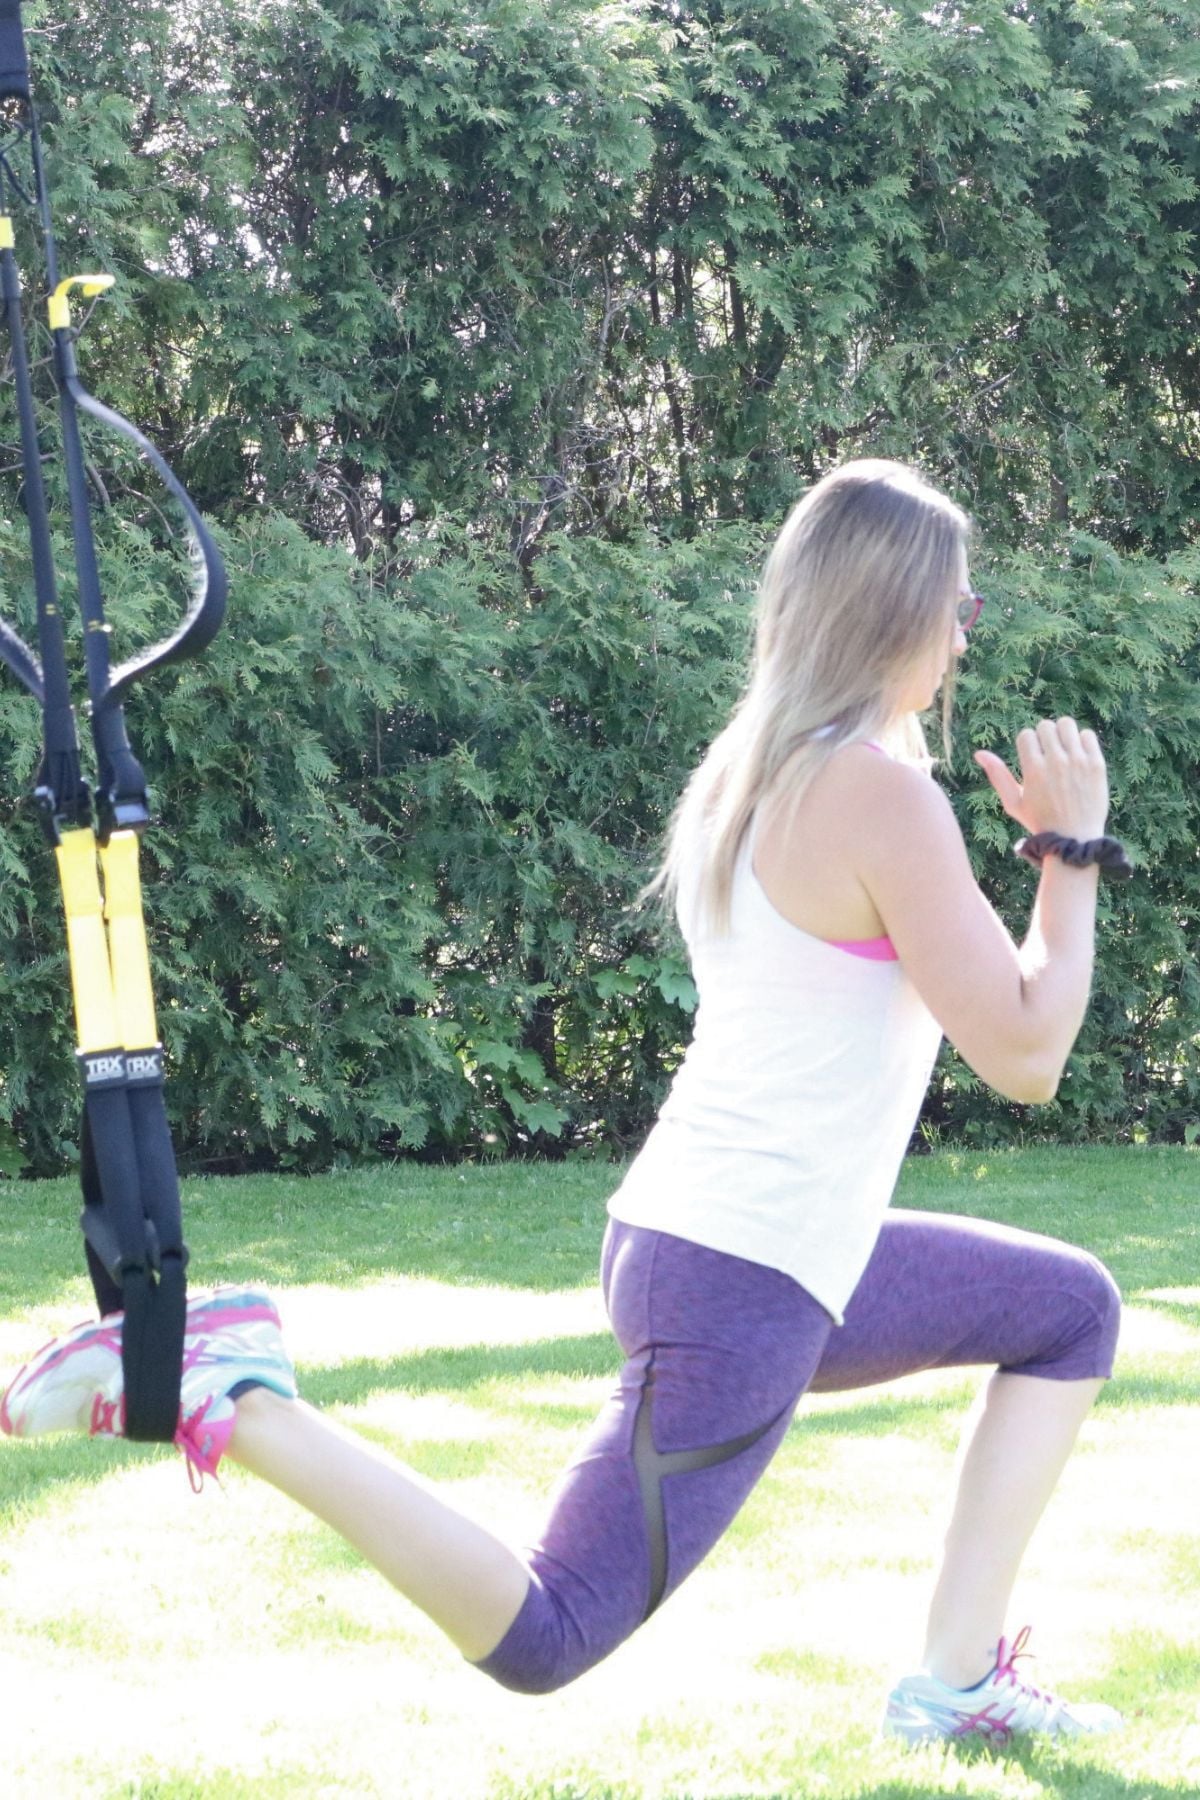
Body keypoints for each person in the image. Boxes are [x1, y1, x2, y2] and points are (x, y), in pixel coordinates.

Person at [1, 460, 1126, 1744]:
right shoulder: (880, 795)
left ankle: (957, 1681)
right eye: (959, 603)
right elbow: (1027, 1055)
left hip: (741, 1246)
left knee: (1068, 1310)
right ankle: (245, 1396)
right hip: (744, 1275)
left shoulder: (761, 770)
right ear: (896, 607)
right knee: (547, 1635)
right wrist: (1074, 852)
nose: (967, 625)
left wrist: (1047, 861)